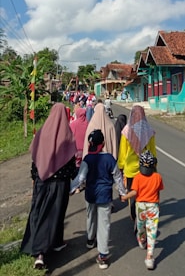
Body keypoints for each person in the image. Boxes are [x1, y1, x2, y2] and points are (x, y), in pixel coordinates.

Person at [20, 103, 77, 269]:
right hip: (59, 185)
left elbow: (35, 158)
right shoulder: (67, 136)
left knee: (39, 212)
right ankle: (42, 251)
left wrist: (34, 177)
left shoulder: (41, 133)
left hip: (41, 181)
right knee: (56, 214)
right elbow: (71, 167)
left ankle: (41, 246)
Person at [70, 129, 126, 269]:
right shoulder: (109, 158)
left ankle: (90, 239)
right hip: (105, 196)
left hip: (90, 194)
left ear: (90, 144)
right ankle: (103, 255)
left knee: (90, 217)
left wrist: (69, 189)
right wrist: (122, 193)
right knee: (104, 224)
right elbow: (117, 177)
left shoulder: (87, 159)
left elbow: (81, 178)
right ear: (103, 143)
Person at [120, 150, 164, 270]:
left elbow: (134, 192)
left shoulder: (138, 177)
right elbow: (158, 192)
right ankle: (149, 257)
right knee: (152, 230)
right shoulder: (158, 177)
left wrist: (124, 197)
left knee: (140, 227)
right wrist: (158, 204)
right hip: (153, 207)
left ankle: (141, 239)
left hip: (140, 207)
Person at [117, 105, 156, 222]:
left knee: (132, 194)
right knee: (143, 194)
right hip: (145, 169)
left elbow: (122, 152)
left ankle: (135, 218)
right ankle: (143, 216)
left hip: (130, 170)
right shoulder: (149, 131)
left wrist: (121, 167)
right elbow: (152, 151)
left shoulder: (126, 131)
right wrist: (154, 167)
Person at [70, 108, 89, 192]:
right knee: (85, 166)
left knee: (76, 166)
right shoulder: (88, 124)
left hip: (76, 149)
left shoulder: (73, 124)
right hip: (86, 149)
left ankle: (77, 187)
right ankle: (85, 181)